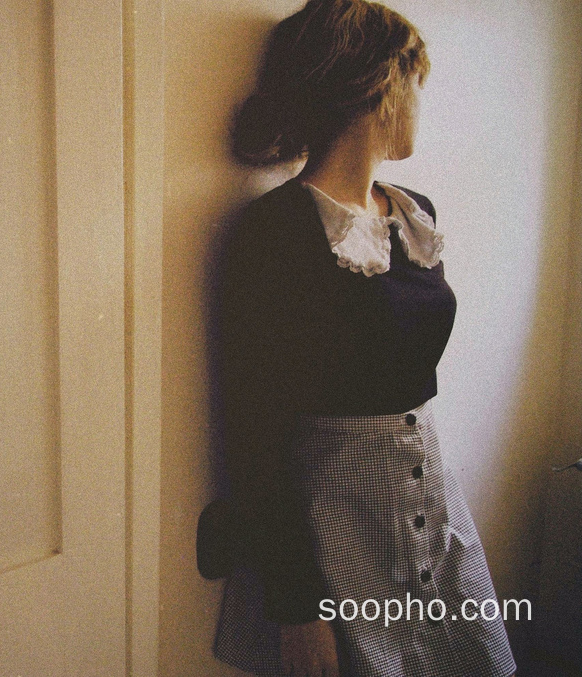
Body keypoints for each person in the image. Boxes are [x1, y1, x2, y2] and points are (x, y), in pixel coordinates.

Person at [208, 1, 518, 675]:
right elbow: (253, 430)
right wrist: (297, 603)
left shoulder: (413, 213)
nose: (419, 103)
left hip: (431, 502)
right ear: (380, 87)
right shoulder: (275, 230)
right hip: (335, 526)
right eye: (415, 83)